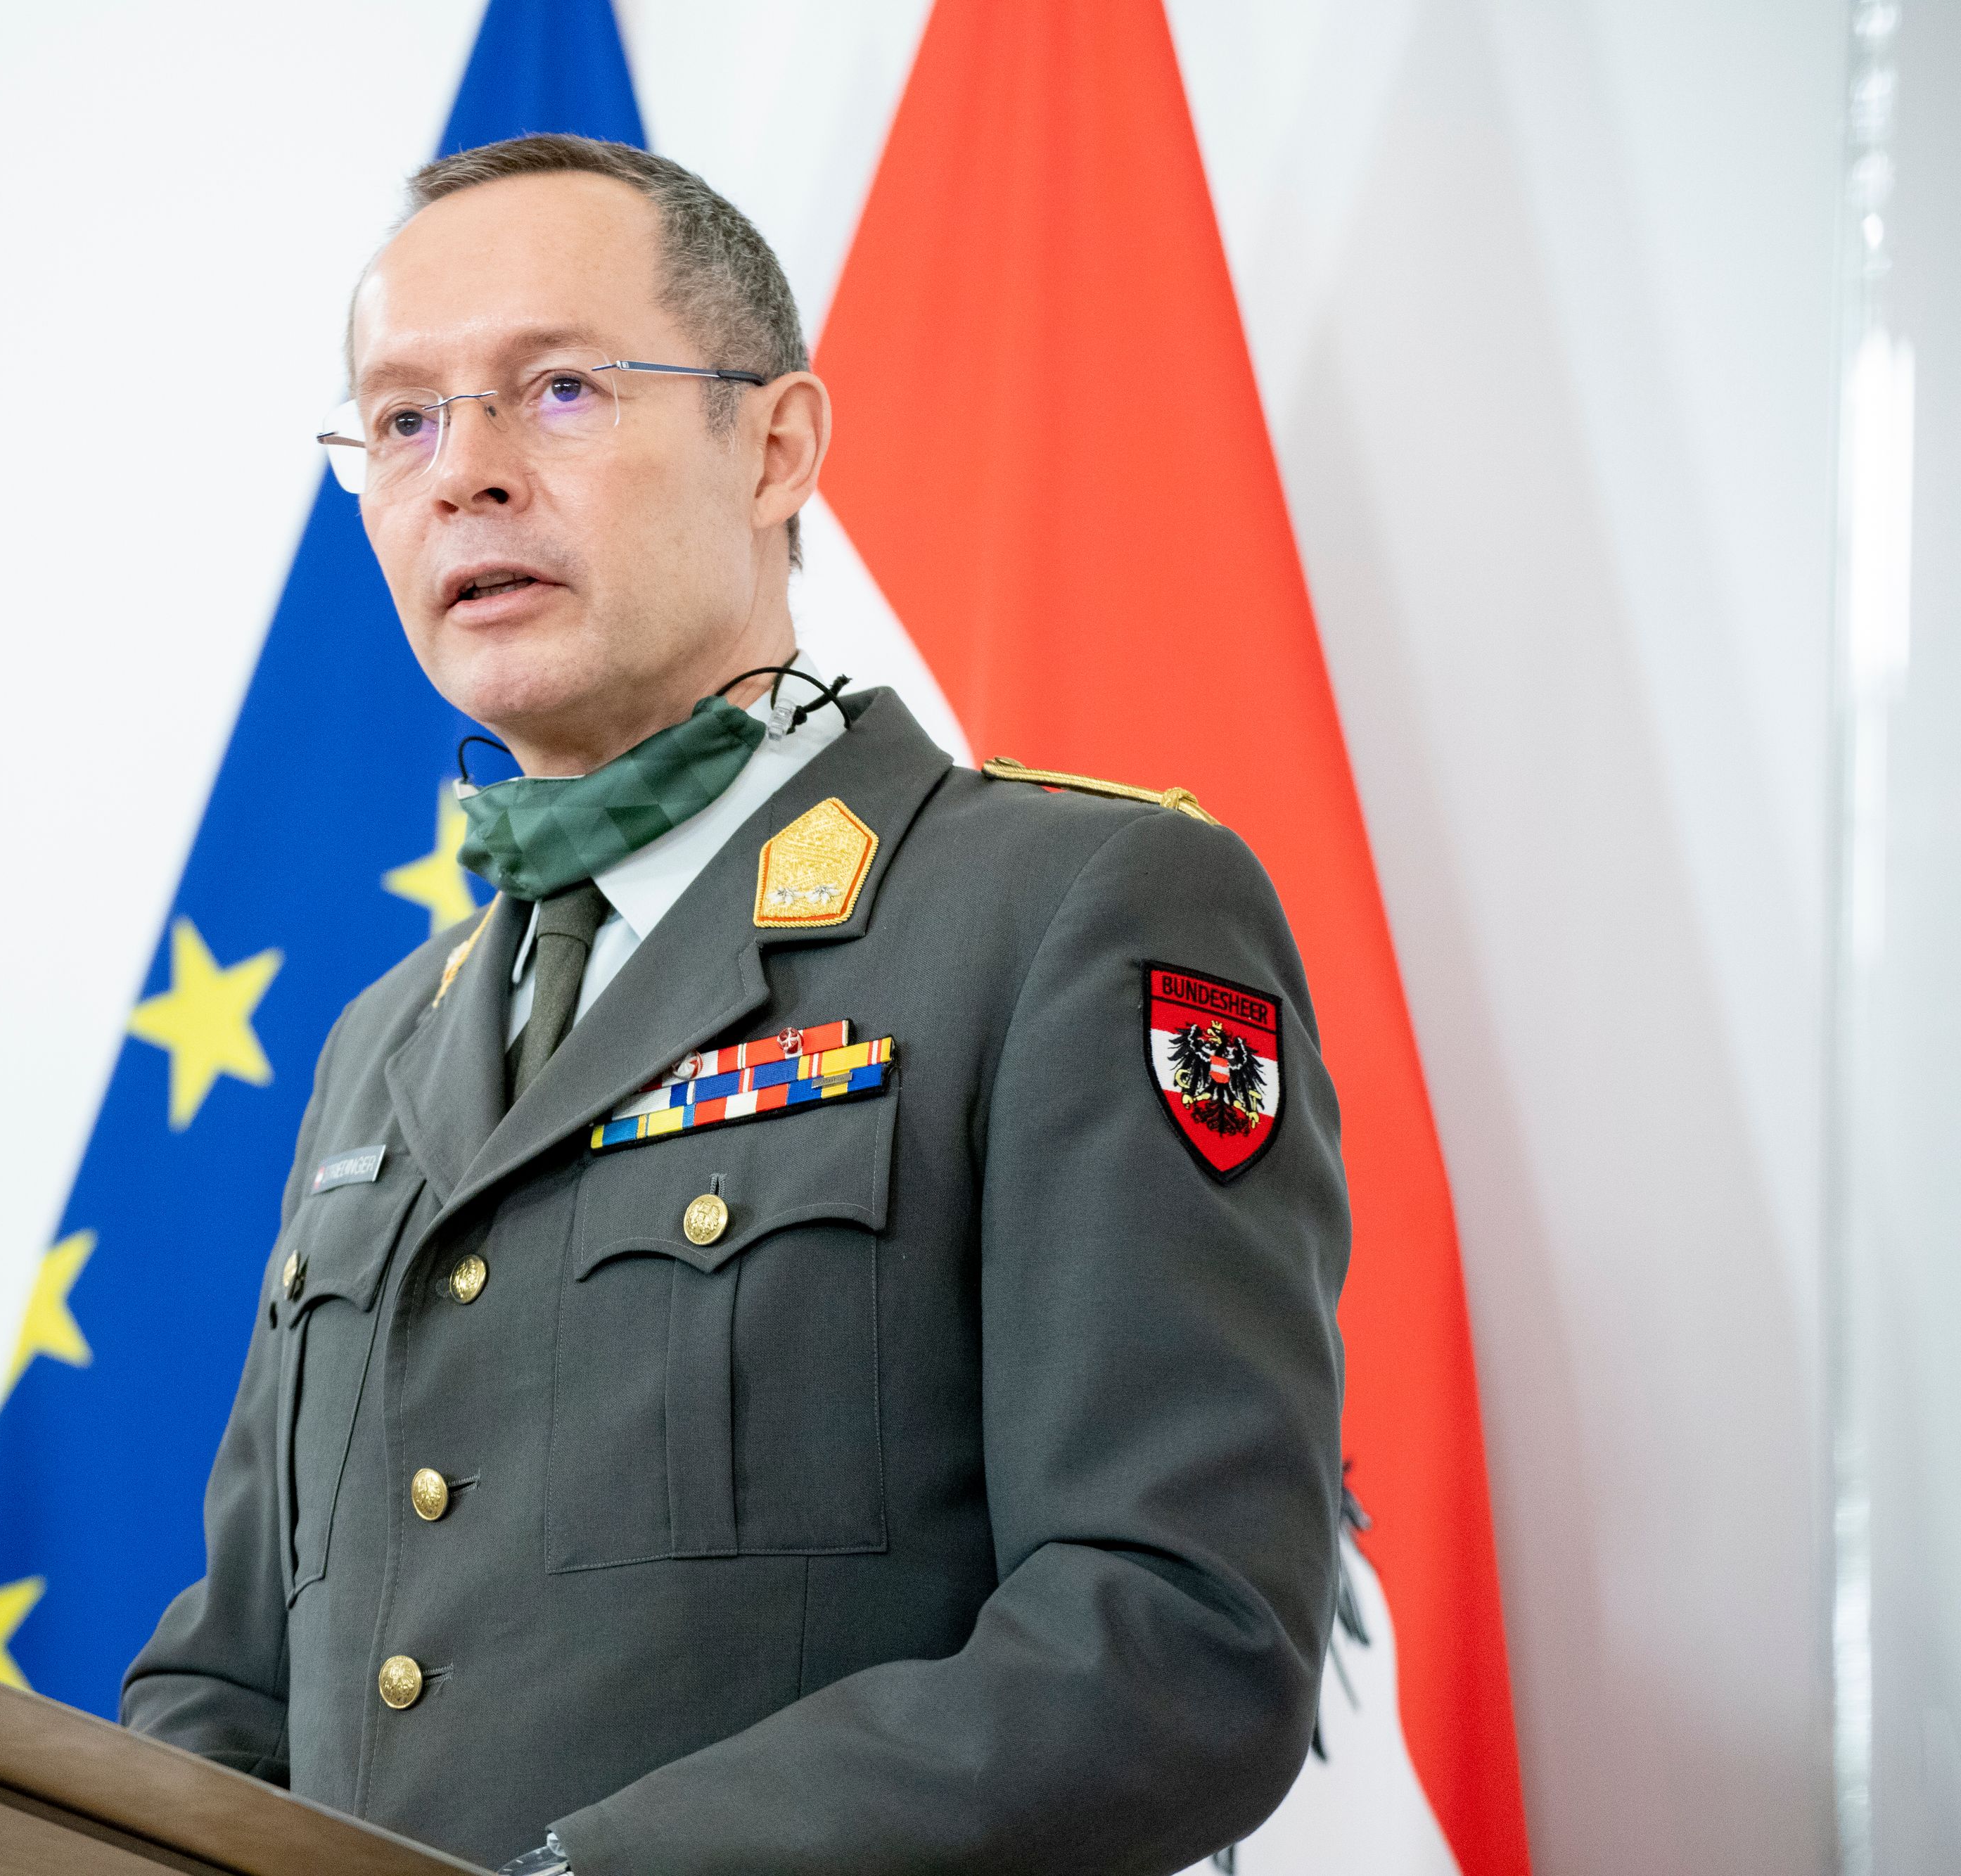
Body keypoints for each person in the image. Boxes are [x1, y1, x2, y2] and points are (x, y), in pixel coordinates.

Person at [122, 134, 1347, 1876]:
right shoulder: (378, 1045)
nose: (459, 474)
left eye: (553, 390)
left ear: (775, 445)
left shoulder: (1058, 913)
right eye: (398, 419)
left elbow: (1172, 1633)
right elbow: (231, 1673)